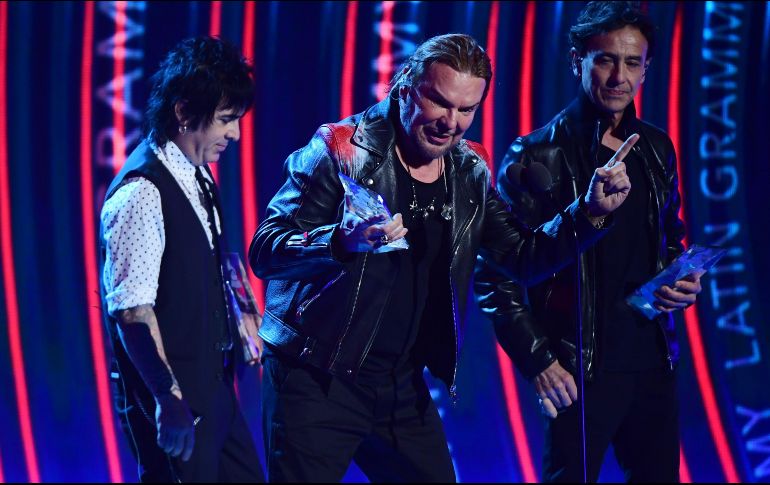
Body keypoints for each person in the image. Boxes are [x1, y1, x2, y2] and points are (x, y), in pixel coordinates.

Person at [249, 33, 635, 482]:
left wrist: (587, 214)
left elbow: (522, 257)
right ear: (407, 86)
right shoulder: (341, 149)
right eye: (439, 102)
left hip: (399, 387)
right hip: (316, 377)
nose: (450, 123)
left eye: (466, 110)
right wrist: (340, 241)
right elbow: (266, 248)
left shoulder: (469, 169)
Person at [474, 2, 703, 482]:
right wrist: (538, 361)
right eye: (605, 59)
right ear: (577, 60)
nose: (619, 76)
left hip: (652, 365)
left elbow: (670, 240)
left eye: (632, 62)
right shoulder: (537, 154)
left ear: (646, 69)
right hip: (578, 372)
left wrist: (681, 278)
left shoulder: (657, 149)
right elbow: (498, 273)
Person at [100, 36, 265, 483]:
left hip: (214, 392)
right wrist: (169, 401)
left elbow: (212, 261)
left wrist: (246, 323)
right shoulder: (142, 193)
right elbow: (132, 313)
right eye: (226, 120)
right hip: (175, 402)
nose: (234, 133)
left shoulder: (197, 175)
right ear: (183, 112)